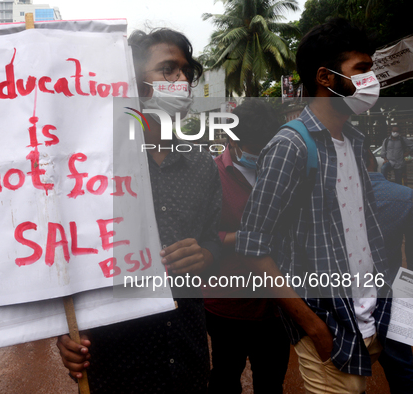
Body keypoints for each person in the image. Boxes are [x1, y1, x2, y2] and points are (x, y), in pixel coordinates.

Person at [56, 28, 222, 393]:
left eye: (186, 73)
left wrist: (207, 253)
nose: (181, 80)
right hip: (117, 365)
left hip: (190, 361)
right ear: (133, 82)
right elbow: (68, 258)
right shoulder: (92, 172)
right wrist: (64, 335)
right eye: (168, 69)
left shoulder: (202, 166)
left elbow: (216, 237)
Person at [236, 19, 391, 394]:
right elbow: (252, 247)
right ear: (325, 77)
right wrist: (312, 326)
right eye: (362, 70)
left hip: (368, 314)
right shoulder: (290, 146)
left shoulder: (354, 140)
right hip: (329, 322)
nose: (372, 81)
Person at [203, 100, 289, 393]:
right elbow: (199, 237)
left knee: (271, 381)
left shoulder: (279, 172)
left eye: (267, 146)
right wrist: (246, 237)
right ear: (233, 140)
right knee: (225, 378)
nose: (261, 154)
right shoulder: (210, 176)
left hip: (276, 303)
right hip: (228, 304)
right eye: (254, 146)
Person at [365, 142, 413, 394]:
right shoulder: (406, 196)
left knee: (348, 371)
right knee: (403, 367)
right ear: (373, 161)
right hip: (394, 293)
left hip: (346, 298)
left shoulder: (328, 197)